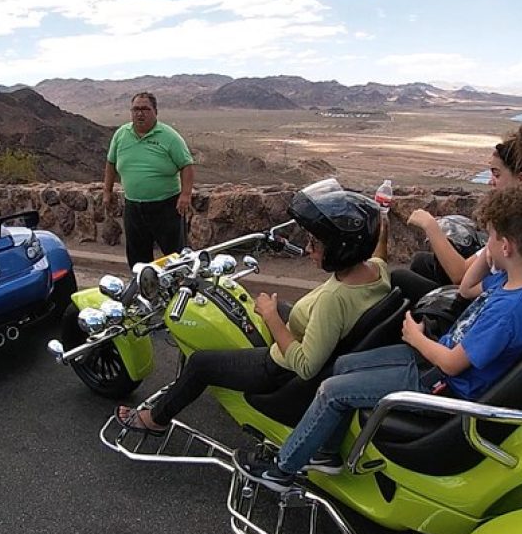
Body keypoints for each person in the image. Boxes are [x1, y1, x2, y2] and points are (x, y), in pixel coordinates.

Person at [233, 184, 522, 492]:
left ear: (507, 246)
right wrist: (489, 253)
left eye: (492, 236)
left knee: (332, 391)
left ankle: (282, 470)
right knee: (343, 365)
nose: (487, 242)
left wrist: (415, 337)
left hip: (442, 384)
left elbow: (454, 364)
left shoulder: (511, 310)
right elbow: (467, 289)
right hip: (434, 363)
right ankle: (325, 453)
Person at [114, 180, 392, 435]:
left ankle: (155, 420)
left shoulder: (335, 298)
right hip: (326, 341)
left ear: (342, 249)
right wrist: (382, 226)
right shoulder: (377, 271)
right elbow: (380, 255)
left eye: (316, 244)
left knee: (201, 364)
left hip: (284, 369)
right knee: (275, 306)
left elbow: (306, 367)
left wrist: (271, 317)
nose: (309, 249)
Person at [392, 124, 522, 304]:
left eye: (497, 174)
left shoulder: (519, 226)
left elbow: (460, 276)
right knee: (422, 262)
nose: (490, 182)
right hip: (491, 288)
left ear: (521, 180)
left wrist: (430, 226)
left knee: (399, 278)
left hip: (485, 301)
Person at [103, 91, 195, 268]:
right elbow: (111, 163)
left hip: (166, 206)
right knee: (138, 258)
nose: (140, 113)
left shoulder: (169, 136)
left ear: (155, 111)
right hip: (133, 207)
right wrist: (107, 191)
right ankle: (144, 291)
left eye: (145, 109)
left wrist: (185, 195)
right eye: (136, 109)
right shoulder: (121, 134)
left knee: (176, 256)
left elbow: (187, 165)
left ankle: (180, 291)